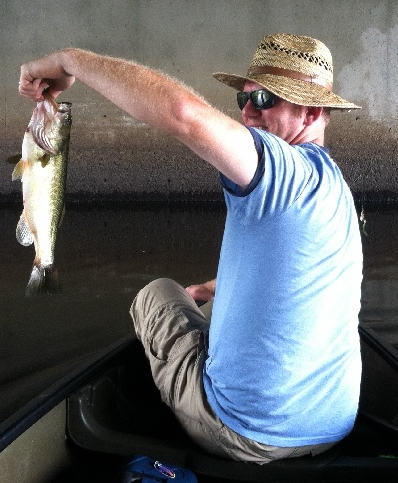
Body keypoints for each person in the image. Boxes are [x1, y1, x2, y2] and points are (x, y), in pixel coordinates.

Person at [18, 33, 363, 464]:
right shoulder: (333, 190)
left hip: (249, 436)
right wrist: (212, 288)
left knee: (157, 294)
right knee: (201, 300)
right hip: (331, 427)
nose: (249, 111)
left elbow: (183, 114)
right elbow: (294, 275)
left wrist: (69, 61)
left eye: (266, 99)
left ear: (312, 110)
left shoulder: (280, 170)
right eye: (244, 98)